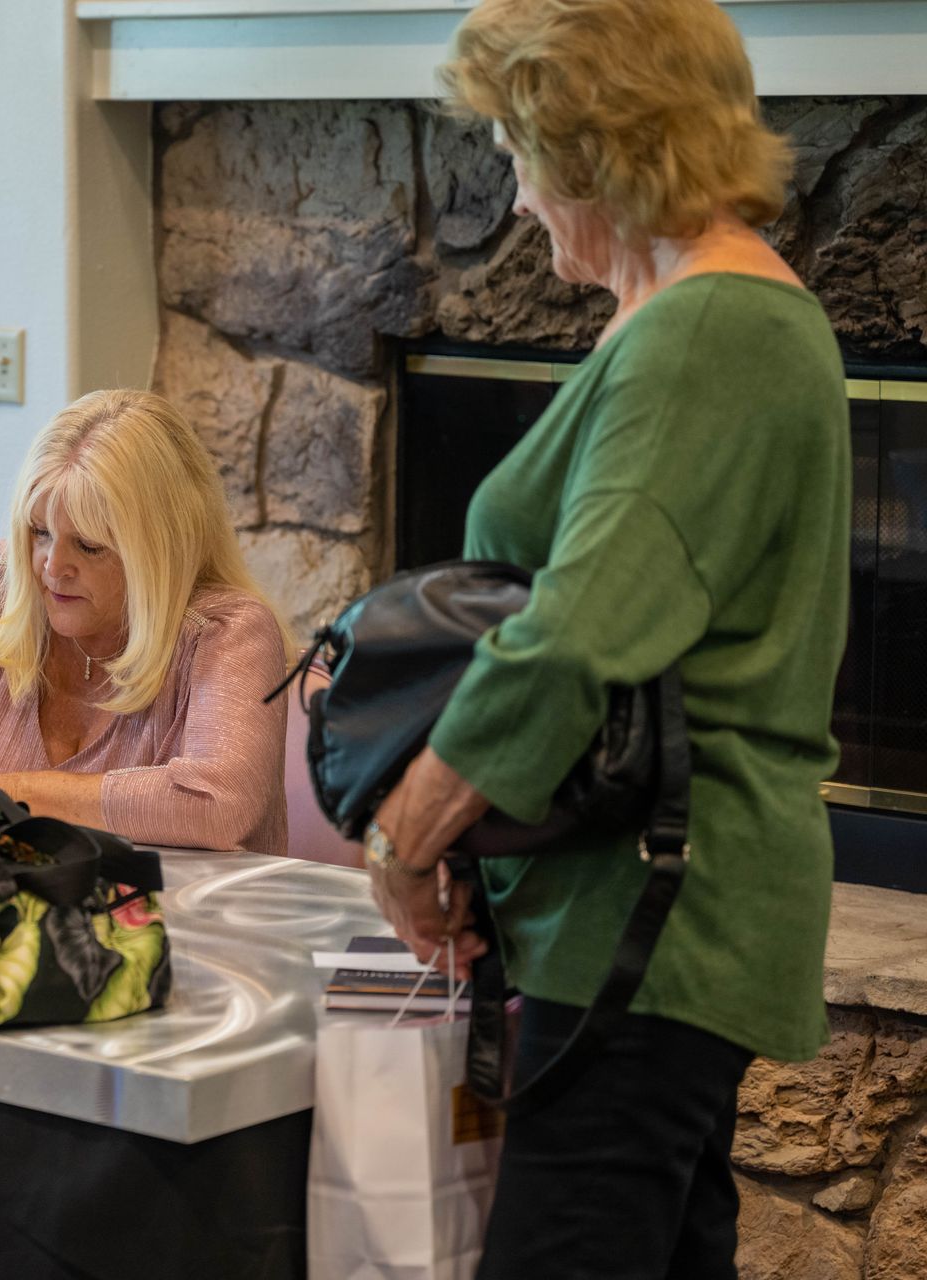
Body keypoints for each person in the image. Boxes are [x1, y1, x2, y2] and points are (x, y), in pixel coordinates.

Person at [365, 1, 850, 1276]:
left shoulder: (711, 331)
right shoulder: (707, 317)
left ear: (594, 150)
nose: (516, 200)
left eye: (520, 155)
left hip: (651, 920)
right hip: (649, 910)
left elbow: (576, 636)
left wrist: (405, 836)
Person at [0, 389, 292, 855]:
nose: (51, 565)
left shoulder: (230, 633)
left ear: (162, 551)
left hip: (177, 929)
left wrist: (10, 795)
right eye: (40, 532)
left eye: (88, 545)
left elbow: (216, 803)